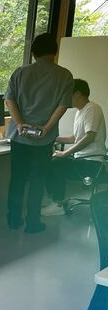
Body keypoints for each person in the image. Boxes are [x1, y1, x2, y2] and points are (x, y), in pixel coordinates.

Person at [4, 32, 74, 233]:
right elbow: (62, 106)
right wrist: (46, 128)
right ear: (54, 52)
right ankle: (33, 222)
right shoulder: (65, 75)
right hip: (44, 140)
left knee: (17, 179)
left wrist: (20, 124)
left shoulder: (20, 72)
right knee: (38, 180)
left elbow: (10, 99)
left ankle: (13, 219)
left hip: (20, 137)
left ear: (34, 53)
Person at [42, 79, 106, 216]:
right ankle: (54, 199)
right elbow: (75, 138)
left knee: (56, 164)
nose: (65, 98)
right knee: (49, 161)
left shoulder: (92, 109)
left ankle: (58, 203)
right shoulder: (80, 112)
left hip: (92, 162)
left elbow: (90, 137)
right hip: (82, 159)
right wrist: (53, 138)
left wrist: (64, 153)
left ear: (77, 94)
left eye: (67, 94)